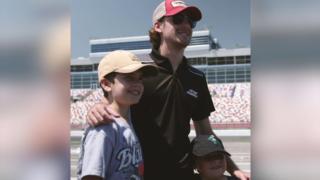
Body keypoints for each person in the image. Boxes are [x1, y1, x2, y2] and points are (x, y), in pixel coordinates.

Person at [87, 0, 250, 179]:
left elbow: (205, 133)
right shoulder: (140, 71)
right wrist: (97, 107)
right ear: (158, 26)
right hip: (141, 173)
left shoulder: (196, 77)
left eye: (191, 21)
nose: (186, 25)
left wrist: (233, 168)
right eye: (178, 19)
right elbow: (111, 103)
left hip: (183, 173)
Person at [77, 50, 157, 180]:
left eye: (140, 78)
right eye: (129, 78)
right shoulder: (103, 128)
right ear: (107, 84)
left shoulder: (127, 118)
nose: (137, 84)